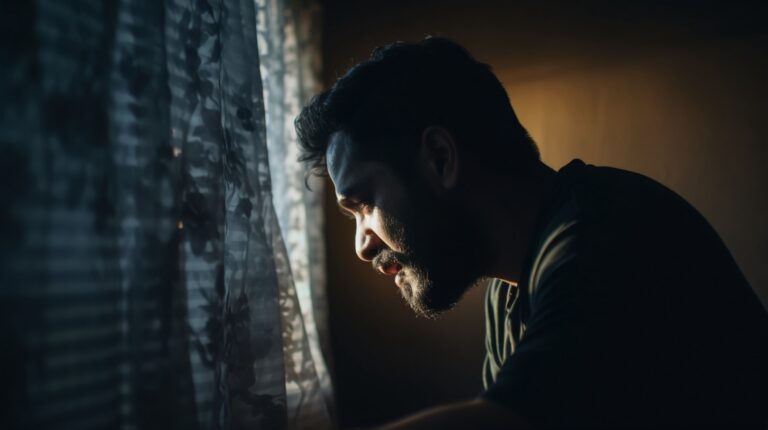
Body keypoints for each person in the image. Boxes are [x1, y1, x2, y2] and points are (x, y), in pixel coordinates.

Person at [294, 37, 768, 429]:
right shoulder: (510, 286)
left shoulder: (602, 233)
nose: (361, 244)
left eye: (364, 204)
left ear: (440, 158)